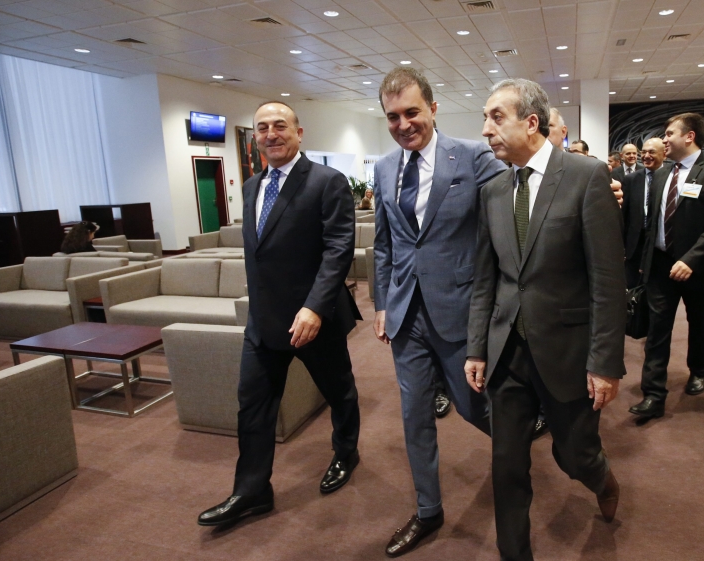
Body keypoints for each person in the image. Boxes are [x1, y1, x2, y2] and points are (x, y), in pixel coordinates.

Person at [466, 78, 625, 561]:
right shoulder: (492, 191)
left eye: (496, 117)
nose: (486, 129)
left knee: (573, 455)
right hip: (507, 352)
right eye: (485, 118)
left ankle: (601, 477)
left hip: (567, 351)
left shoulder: (585, 176)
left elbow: (607, 280)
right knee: (506, 463)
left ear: (531, 122)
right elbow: (485, 279)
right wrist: (476, 348)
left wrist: (605, 363)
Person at [198, 101, 362, 527]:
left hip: (314, 320)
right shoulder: (252, 186)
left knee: (339, 392)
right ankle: (252, 491)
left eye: (280, 125)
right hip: (263, 322)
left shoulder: (326, 181)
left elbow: (338, 249)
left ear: (298, 132)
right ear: (255, 136)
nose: (271, 134)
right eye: (262, 128)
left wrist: (314, 306)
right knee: (252, 406)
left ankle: (346, 452)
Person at [371, 67, 505, 558]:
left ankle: (515, 445)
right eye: (393, 117)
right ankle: (428, 510)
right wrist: (381, 303)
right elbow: (384, 245)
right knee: (415, 416)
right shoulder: (384, 167)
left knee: (473, 407)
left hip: (459, 309)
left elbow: (525, 190)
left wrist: (593, 185)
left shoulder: (471, 156)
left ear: (432, 108)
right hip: (406, 314)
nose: (403, 124)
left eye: (412, 112)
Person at [629, 113, 704, 422]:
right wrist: (644, 264)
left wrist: (691, 259)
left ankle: (699, 368)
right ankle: (653, 394)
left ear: (689, 136)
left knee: (700, 323)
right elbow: (652, 224)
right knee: (657, 330)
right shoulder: (662, 173)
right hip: (661, 266)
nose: (664, 139)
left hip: (697, 268)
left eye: (669, 133)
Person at [621, 138, 666, 289]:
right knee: (633, 288)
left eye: (651, 152)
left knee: (658, 288)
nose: (646, 156)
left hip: (661, 243)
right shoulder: (631, 179)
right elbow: (624, 215)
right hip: (636, 244)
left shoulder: (671, 177)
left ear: (664, 154)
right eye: (644, 152)